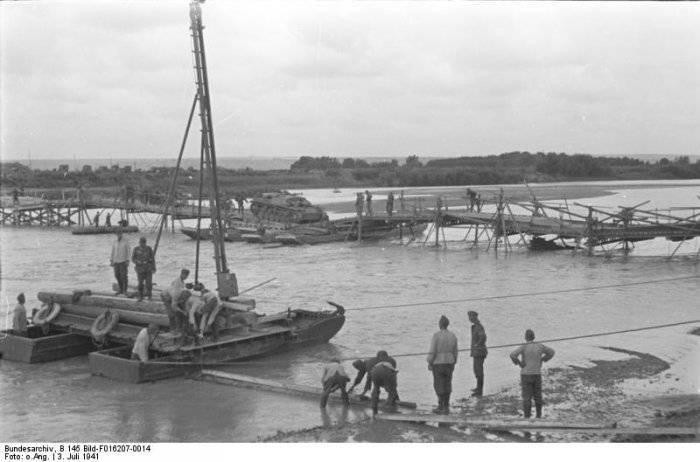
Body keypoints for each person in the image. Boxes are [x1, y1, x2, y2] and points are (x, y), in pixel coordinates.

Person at [510, 329, 555, 418]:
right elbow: (552, 352)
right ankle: (539, 415)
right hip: (536, 374)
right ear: (533, 337)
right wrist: (544, 359)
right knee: (538, 396)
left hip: (526, 374)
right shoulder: (540, 346)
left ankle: (527, 417)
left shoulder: (524, 346)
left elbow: (512, 355)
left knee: (527, 398)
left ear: (526, 337)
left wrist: (519, 363)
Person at [427, 315, 458, 413]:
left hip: (438, 363)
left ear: (440, 324)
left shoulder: (436, 335)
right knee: (448, 382)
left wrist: (429, 361)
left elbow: (433, 351)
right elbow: (455, 351)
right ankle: (446, 405)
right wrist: (454, 361)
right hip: (449, 362)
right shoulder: (452, 335)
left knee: (438, 384)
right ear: (447, 324)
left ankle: (441, 405)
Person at [369, 350, 399, 415]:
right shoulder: (392, 361)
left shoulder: (375, 361)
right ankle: (389, 405)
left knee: (376, 389)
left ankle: (374, 408)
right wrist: (392, 389)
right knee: (392, 389)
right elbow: (391, 380)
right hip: (386, 370)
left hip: (374, 371)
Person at [468, 310, 487, 397]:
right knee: (476, 370)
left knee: (478, 371)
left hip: (479, 352)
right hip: (477, 352)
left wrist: (477, 344)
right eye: (469, 317)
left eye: (471, 317)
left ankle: (479, 390)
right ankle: (478, 388)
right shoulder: (475, 326)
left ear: (474, 317)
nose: (469, 318)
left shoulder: (478, 326)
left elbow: (483, 336)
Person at [132, 237, 156, 301]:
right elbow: (133, 259)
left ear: (145, 243)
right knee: (140, 283)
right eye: (141, 243)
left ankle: (149, 296)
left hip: (148, 269)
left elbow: (153, 259)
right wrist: (137, 262)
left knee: (149, 283)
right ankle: (140, 296)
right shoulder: (136, 249)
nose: (142, 244)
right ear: (139, 242)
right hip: (140, 269)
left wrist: (154, 268)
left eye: (144, 243)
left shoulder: (149, 249)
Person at [110, 230, 130, 295]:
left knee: (124, 276)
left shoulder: (126, 241)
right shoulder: (114, 241)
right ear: (116, 234)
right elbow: (113, 251)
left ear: (122, 234)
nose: (119, 235)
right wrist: (111, 260)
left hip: (123, 261)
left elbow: (128, 251)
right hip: (116, 261)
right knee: (117, 275)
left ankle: (125, 290)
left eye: (120, 234)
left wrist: (127, 260)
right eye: (117, 234)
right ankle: (120, 289)